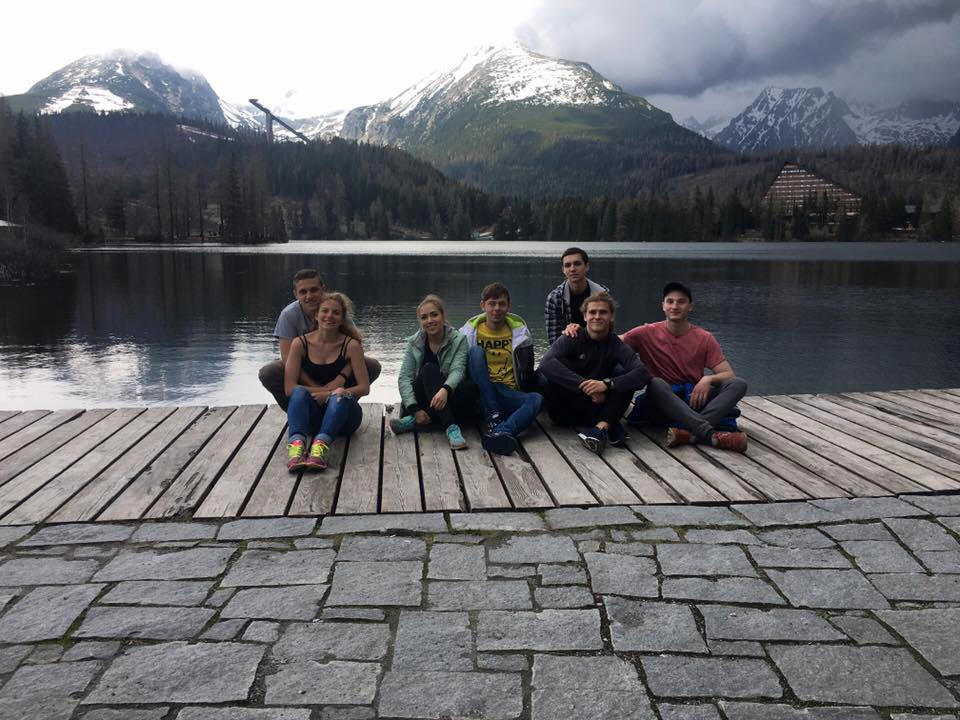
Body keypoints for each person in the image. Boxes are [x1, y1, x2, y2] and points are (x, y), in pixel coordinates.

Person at [621, 282, 748, 452]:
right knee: (656, 383)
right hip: (660, 402)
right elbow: (612, 342)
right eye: (670, 301)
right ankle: (708, 433)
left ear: (690, 306)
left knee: (738, 383)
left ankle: (690, 433)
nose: (675, 306)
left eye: (681, 302)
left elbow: (728, 374)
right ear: (663, 306)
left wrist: (708, 379)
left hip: (692, 400)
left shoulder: (704, 338)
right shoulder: (644, 333)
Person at [542, 293, 650, 454]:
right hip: (565, 412)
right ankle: (610, 424)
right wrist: (585, 387)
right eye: (592, 312)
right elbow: (545, 364)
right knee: (558, 365)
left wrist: (606, 385)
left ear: (611, 316)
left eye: (603, 312)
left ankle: (601, 428)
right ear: (584, 316)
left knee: (625, 375)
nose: (597, 316)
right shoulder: (572, 337)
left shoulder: (616, 344)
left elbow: (642, 373)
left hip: (597, 407)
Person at [259, 268, 380, 410]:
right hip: (302, 370)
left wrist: (340, 378)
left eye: (314, 290)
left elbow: (356, 350)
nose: (309, 296)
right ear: (296, 294)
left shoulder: (336, 312)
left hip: (335, 368)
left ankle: (340, 405)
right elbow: (286, 359)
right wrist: (319, 388)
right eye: (303, 292)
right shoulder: (288, 315)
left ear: (322, 289)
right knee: (269, 372)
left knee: (371, 365)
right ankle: (295, 410)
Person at [284, 292, 370, 471]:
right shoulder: (299, 344)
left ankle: (319, 451)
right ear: (316, 315)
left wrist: (333, 394)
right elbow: (289, 388)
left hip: (345, 418)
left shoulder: (351, 346)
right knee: (298, 392)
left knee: (340, 396)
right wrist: (323, 393)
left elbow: (364, 388)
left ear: (342, 319)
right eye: (325, 311)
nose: (329, 316)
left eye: (336, 313)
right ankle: (296, 448)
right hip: (314, 418)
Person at [460, 282, 542, 455]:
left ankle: (501, 431)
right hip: (482, 392)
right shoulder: (468, 333)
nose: (497, 308)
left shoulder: (521, 333)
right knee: (476, 352)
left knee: (536, 399)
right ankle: (493, 415)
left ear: (508, 306)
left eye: (501, 304)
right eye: (492, 304)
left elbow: (527, 368)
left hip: (508, 391)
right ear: (483, 306)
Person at [390, 294, 477, 450]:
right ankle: (451, 427)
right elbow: (404, 378)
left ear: (443, 316)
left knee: (471, 388)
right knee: (429, 369)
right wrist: (414, 409)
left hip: (447, 396)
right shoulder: (414, 342)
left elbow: (458, 370)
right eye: (424, 317)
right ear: (420, 321)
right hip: (422, 399)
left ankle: (414, 422)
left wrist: (445, 389)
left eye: (434, 315)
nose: (429, 320)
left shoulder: (459, 340)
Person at [545, 246, 610, 345]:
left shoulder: (603, 294)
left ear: (587, 266)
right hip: (567, 348)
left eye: (577, 264)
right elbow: (554, 341)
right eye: (567, 265)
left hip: (597, 347)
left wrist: (581, 331)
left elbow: (607, 333)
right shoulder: (555, 298)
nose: (572, 269)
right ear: (563, 270)